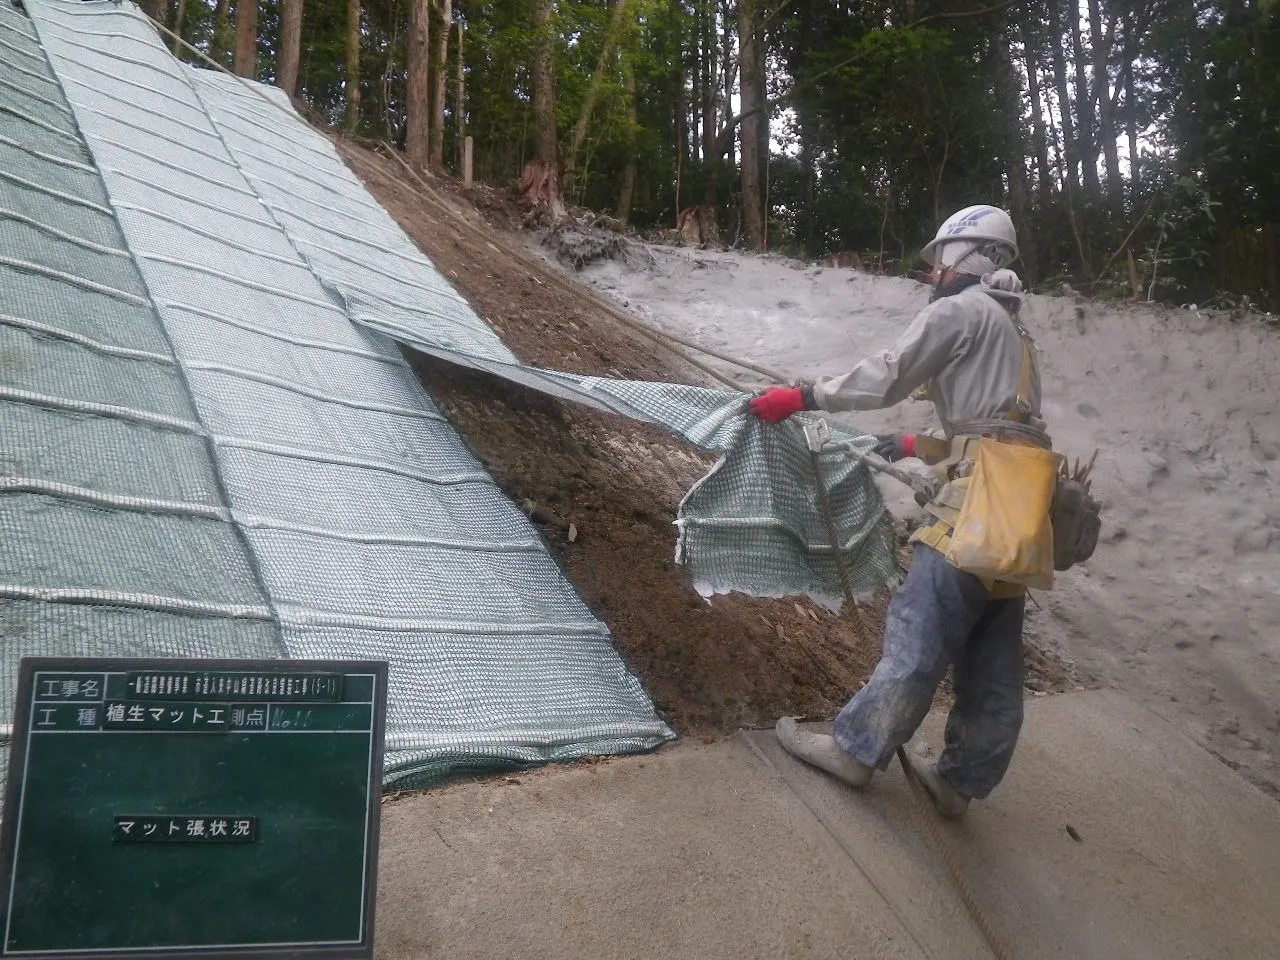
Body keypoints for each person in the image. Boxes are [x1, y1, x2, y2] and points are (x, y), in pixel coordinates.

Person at [748, 204, 1044, 818]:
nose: (932, 272)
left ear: (962, 256)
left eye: (939, 259)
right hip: (1022, 513)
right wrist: (919, 446)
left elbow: (889, 376)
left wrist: (803, 396)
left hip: (978, 506)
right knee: (992, 653)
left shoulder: (960, 310)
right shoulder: (1016, 333)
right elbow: (1001, 427)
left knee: (923, 622)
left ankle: (856, 751)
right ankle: (960, 784)